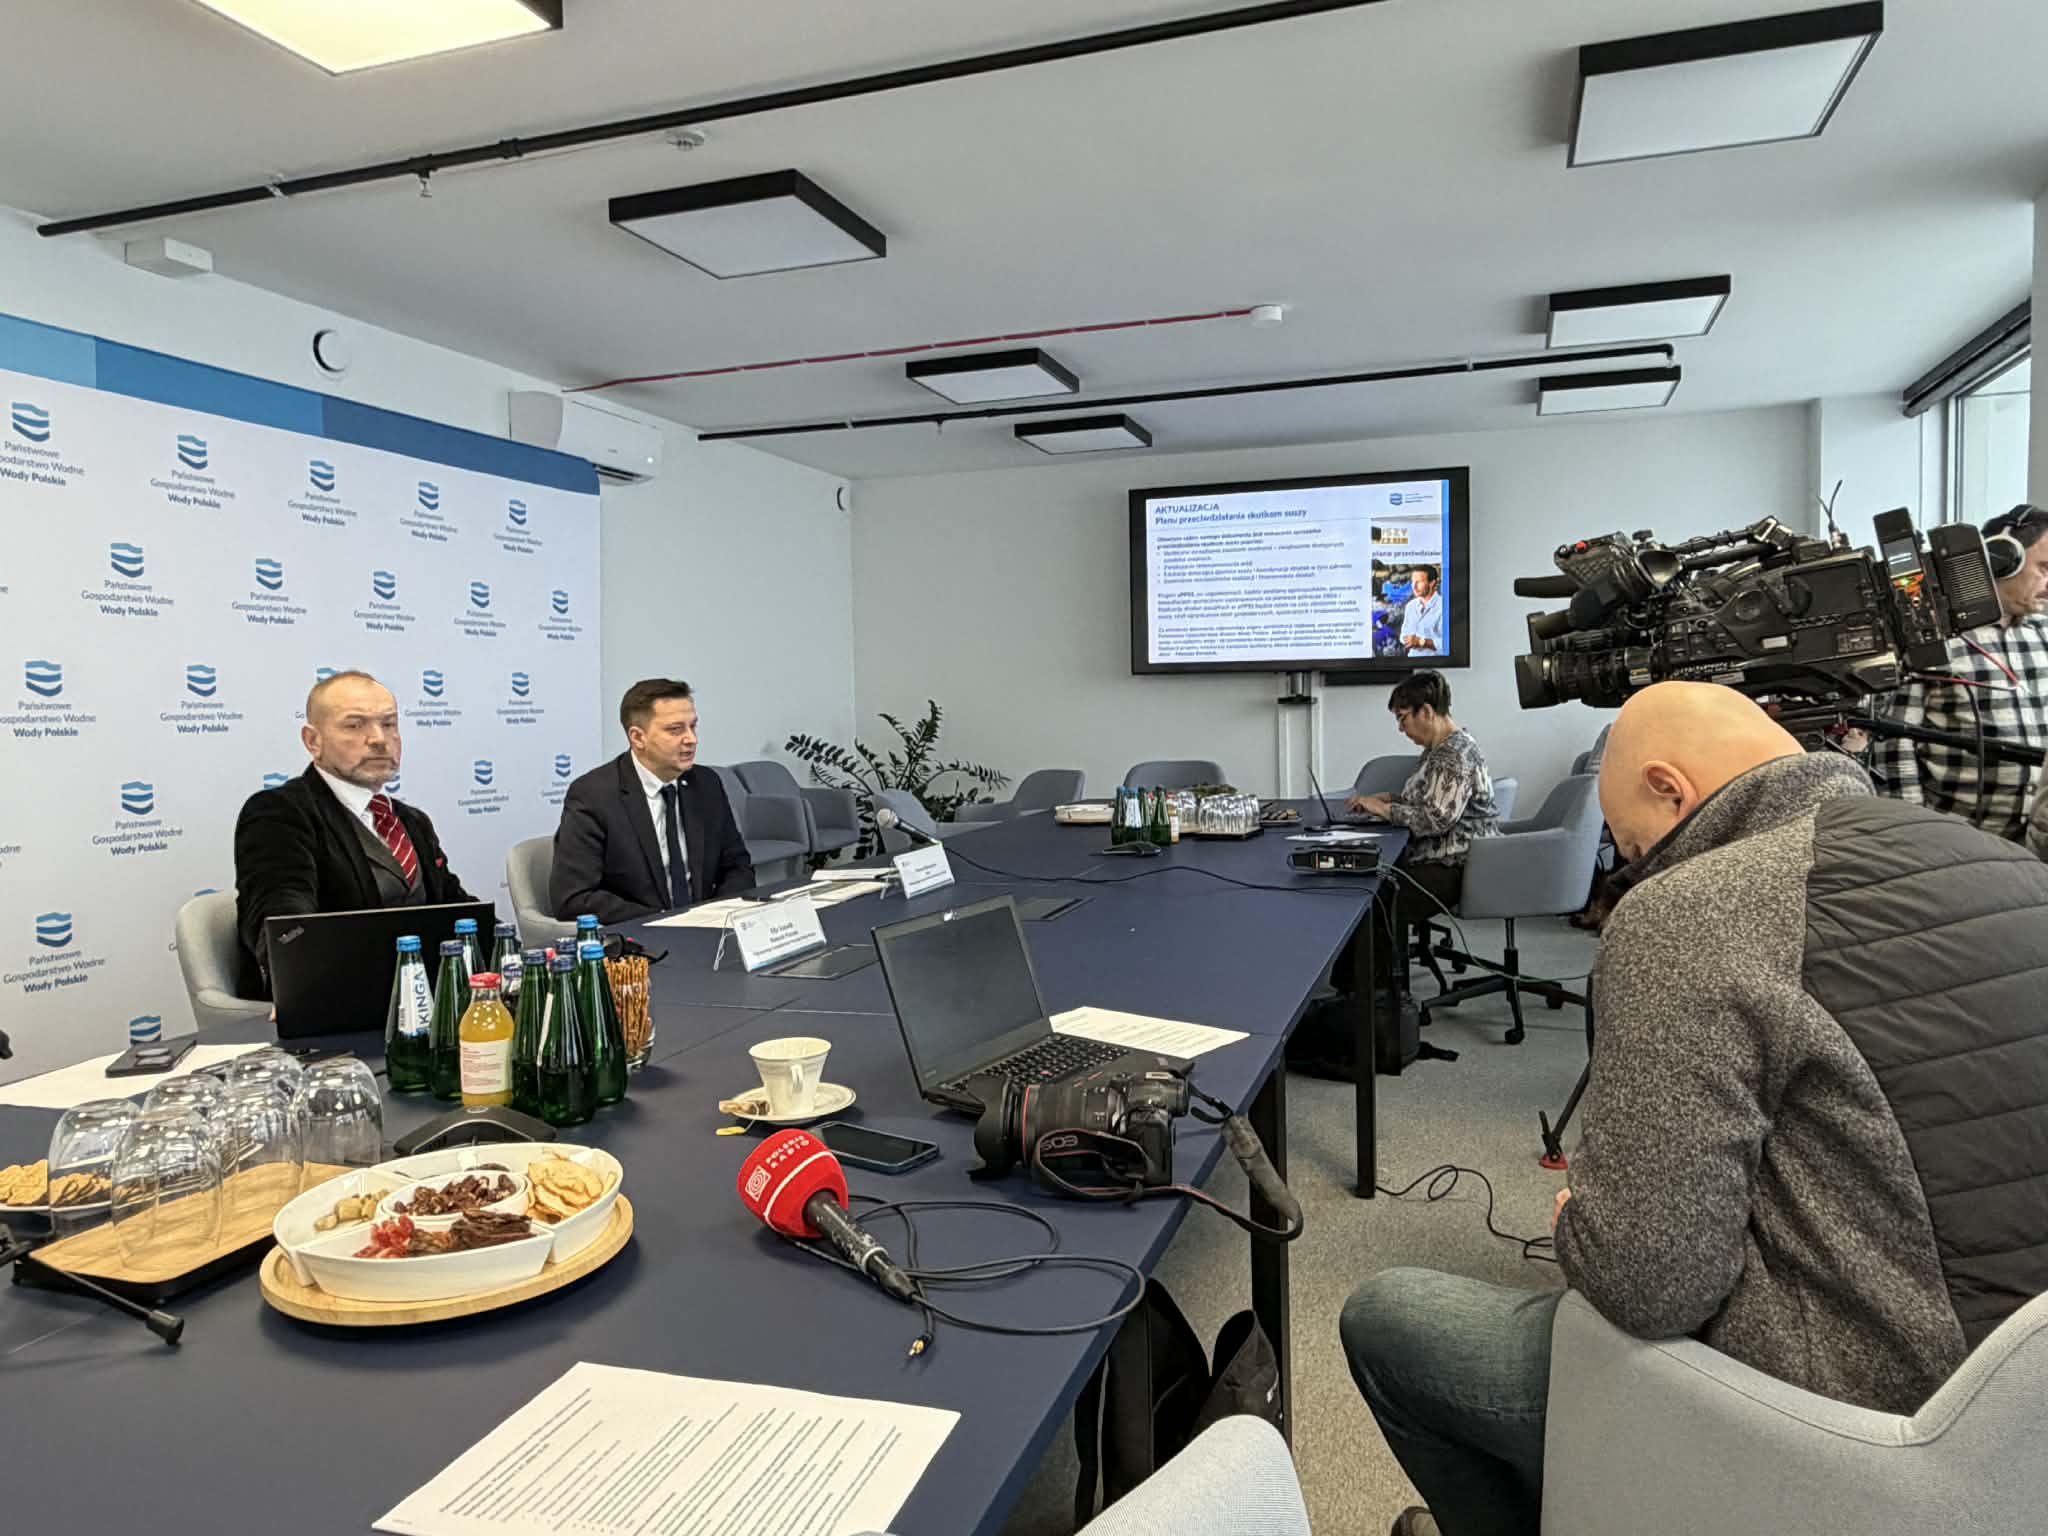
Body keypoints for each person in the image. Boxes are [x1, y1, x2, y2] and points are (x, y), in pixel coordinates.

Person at [1339, 681, 2048, 1536]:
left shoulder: (1695, 909)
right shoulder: (2008, 865)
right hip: (2022, 1423)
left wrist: (1582, 1227)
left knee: (1391, 1322)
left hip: (1877, 1435)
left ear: (1671, 790)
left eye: (1637, 851)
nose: (1636, 874)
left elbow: (1650, 1288)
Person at [234, 670, 476, 998]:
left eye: (389, 724)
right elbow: (283, 916)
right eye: (355, 725)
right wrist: (300, 984)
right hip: (335, 998)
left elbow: (455, 907)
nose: (378, 739)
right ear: (313, 741)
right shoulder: (279, 813)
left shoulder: (413, 821)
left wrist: (513, 957)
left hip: (426, 995)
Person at [1869, 504, 2048, 841]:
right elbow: (1894, 749)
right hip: (1960, 846)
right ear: (2002, 557)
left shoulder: (2044, 635)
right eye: (2045, 568)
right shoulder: (1931, 643)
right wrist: (1917, 841)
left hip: (2036, 847)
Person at [549, 677, 753, 923]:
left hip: (710, 928)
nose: (691, 739)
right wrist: (666, 921)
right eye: (675, 730)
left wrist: (715, 915)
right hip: (640, 933)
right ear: (638, 737)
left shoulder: (706, 783)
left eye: (693, 726)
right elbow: (573, 898)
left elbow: (737, 866)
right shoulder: (593, 795)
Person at [1347, 670, 1497, 995]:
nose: (1401, 729)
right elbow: (1428, 802)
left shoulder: (1453, 755)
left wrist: (1384, 810)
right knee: (1369, 885)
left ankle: (1374, 997)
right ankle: (1360, 988)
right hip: (1438, 858)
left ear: (1426, 711)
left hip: (1453, 867)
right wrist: (1391, 800)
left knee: (1378, 900)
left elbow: (1436, 819)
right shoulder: (1438, 750)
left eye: (1403, 718)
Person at [1399, 565, 1445, 656]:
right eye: (1413, 582)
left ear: (1432, 583)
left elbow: (1448, 643)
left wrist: (1422, 642)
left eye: (1419, 582)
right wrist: (1408, 640)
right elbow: (1403, 634)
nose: (1414, 586)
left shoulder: (1443, 606)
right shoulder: (1410, 606)